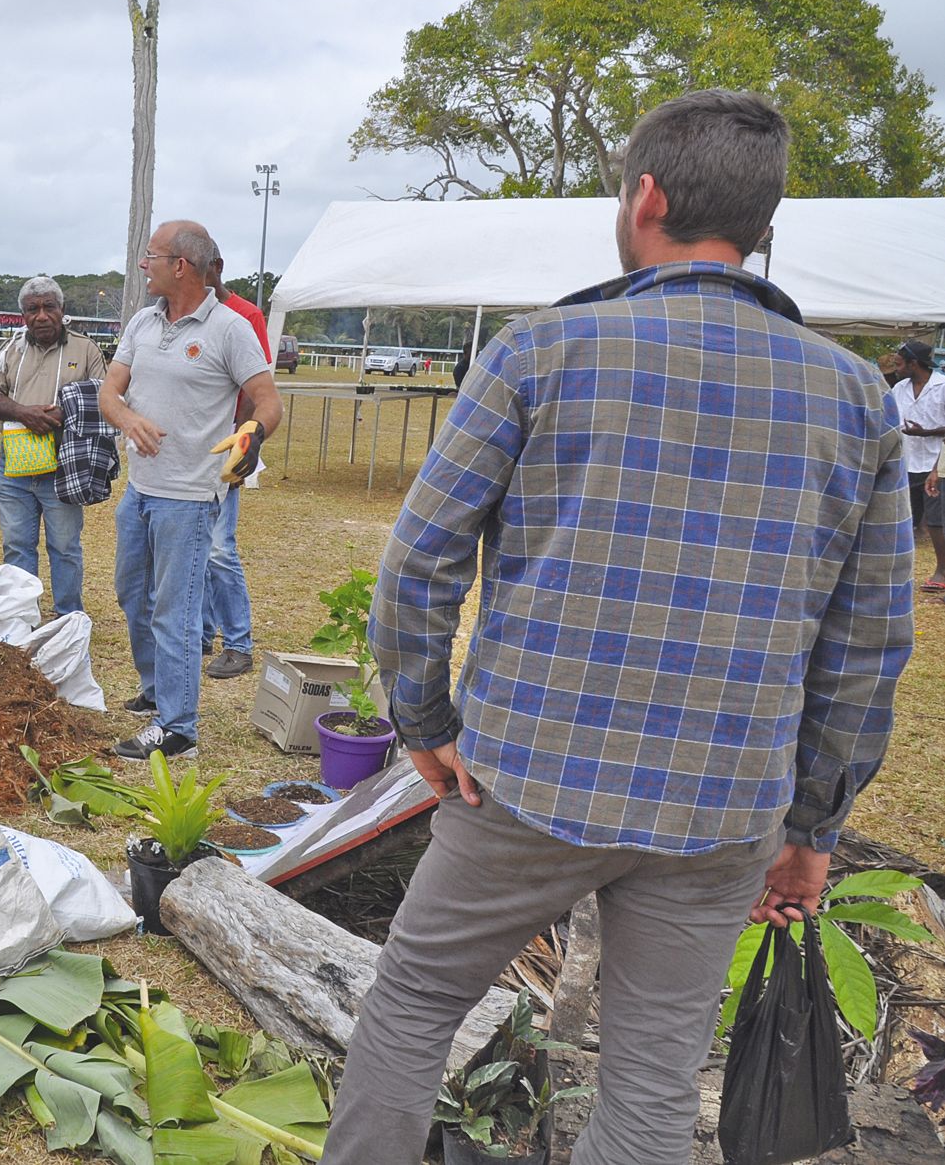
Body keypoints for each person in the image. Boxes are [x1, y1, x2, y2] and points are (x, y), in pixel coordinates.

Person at [323, 90, 915, 1164]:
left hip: (524, 778)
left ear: (644, 196)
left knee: (410, 1005)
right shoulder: (855, 396)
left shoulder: (539, 351)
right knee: (649, 1080)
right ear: (762, 225)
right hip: (724, 801)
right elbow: (868, 640)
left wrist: (421, 715)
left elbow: (418, 559)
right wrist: (812, 824)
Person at [101, 221, 282, 759]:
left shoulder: (230, 329)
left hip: (191, 495)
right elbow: (110, 391)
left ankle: (178, 728)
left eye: (150, 256)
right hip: (140, 490)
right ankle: (159, 690)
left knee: (175, 610)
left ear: (180, 265)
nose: (143, 265)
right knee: (133, 595)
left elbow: (268, 402)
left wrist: (253, 433)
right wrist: (129, 418)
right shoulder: (142, 321)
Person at [0, 276, 106, 615]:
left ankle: (68, 617)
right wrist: (23, 413)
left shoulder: (86, 349)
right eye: (33, 309)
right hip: (15, 467)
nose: (42, 315)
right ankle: (21, 615)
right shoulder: (11, 349)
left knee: (64, 547)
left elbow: (105, 399)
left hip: (64, 467)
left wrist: (64, 414)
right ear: (23, 315)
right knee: (17, 545)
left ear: (63, 310)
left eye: (49, 307)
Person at [198, 244, 273, 679]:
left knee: (220, 548)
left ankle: (239, 643)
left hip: (231, 445)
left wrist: (243, 447)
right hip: (192, 450)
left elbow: (255, 389)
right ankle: (204, 631)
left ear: (217, 269)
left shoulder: (247, 316)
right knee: (200, 544)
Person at [888, 339, 945, 590]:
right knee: (902, 518)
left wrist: (926, 433)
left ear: (914, 363)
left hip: (936, 463)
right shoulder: (899, 388)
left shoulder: (942, 387)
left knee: (935, 521)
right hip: (905, 462)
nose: (895, 368)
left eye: (899, 364)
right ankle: (897, 571)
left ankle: (941, 571)